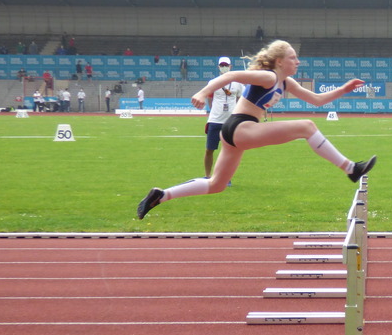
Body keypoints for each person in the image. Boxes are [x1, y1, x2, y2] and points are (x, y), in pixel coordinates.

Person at [137, 40, 377, 220]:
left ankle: (161, 195)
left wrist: (344, 89)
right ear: (280, 61)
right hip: (241, 126)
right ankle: (350, 168)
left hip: (235, 131)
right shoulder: (268, 77)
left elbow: (316, 100)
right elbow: (231, 75)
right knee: (307, 126)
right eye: (293, 57)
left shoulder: (285, 82)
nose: (298, 61)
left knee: (216, 185)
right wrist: (202, 92)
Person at [203, 57, 245, 179]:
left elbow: (241, 99)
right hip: (215, 120)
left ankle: (226, 178)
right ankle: (207, 176)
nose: (224, 67)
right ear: (218, 67)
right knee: (209, 150)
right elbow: (209, 98)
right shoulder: (213, 82)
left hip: (230, 121)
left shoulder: (238, 84)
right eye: (222, 65)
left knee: (229, 152)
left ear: (230, 66)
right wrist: (213, 111)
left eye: (226, 65)